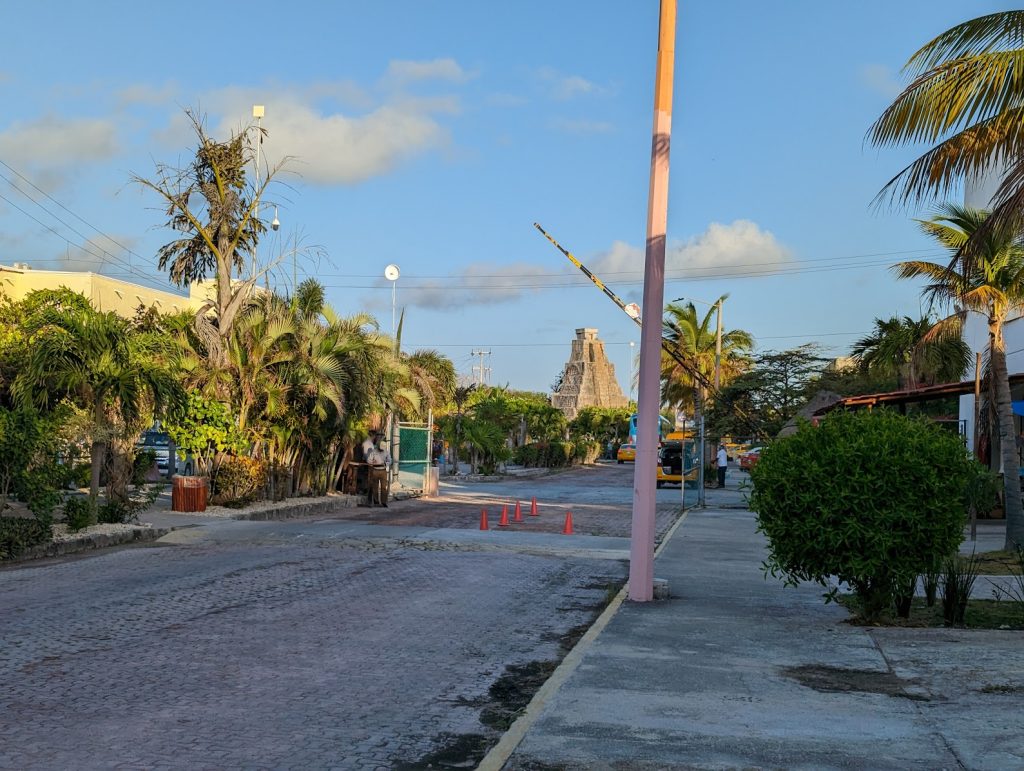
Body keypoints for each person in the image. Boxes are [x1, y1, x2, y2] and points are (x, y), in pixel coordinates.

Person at [366, 437, 392, 507]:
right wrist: (372, 462)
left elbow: (390, 460)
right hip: (375, 470)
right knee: (375, 486)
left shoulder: (386, 452)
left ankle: (384, 501)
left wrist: (386, 464)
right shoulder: (374, 452)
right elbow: (368, 460)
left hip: (383, 470)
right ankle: (376, 501)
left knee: (384, 487)